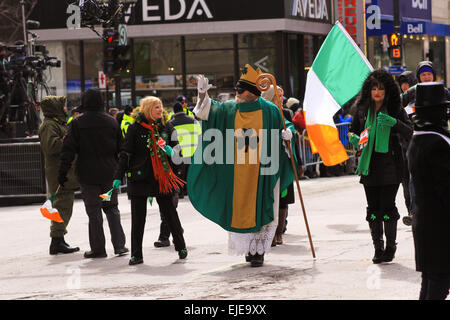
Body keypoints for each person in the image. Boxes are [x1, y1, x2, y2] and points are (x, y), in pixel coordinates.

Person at [187, 64, 296, 267]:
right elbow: (206, 112)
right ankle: (248, 249)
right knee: (237, 207)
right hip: (234, 171)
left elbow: (286, 127)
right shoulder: (229, 108)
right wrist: (202, 95)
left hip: (263, 170)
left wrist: (288, 136)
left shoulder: (271, 110)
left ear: (253, 93)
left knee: (262, 208)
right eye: (236, 89)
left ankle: (259, 252)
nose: (236, 93)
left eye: (240, 90)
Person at [113, 96, 187, 265]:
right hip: (140, 177)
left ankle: (181, 246)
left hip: (162, 178)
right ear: (147, 109)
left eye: (161, 106)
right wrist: (118, 176)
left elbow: (178, 151)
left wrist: (172, 153)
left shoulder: (167, 127)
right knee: (138, 218)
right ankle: (136, 254)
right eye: (156, 107)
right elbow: (125, 153)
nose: (160, 110)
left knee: (170, 213)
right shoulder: (135, 128)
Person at [348, 69, 412, 264]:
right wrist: (353, 138)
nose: (377, 92)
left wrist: (395, 123)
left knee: (387, 206)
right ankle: (378, 248)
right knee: (373, 208)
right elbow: (353, 131)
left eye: (381, 88)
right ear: (368, 90)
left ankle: (391, 247)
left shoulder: (395, 109)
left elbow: (410, 132)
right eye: (374, 88)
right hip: (369, 165)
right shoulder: (361, 110)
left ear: (388, 91)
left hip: (392, 164)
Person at [58, 89, 128, 259]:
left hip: (87, 175)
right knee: (111, 208)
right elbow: (122, 148)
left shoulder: (77, 123)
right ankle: (119, 246)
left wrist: (63, 172)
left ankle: (98, 249)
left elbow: (68, 150)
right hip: (108, 174)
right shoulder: (111, 122)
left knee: (94, 211)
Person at [407, 82, 450, 300]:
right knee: (440, 280)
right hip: (439, 224)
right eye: (443, 109)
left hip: (426, 221)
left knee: (431, 279)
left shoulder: (420, 137)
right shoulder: (436, 142)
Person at [38, 96, 80, 255]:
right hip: (58, 172)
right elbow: (51, 147)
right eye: (62, 106)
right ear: (54, 108)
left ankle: (59, 239)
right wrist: (68, 141)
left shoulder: (56, 123)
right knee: (62, 205)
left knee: (65, 205)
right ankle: (56, 240)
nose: (65, 109)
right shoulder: (49, 125)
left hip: (64, 170)